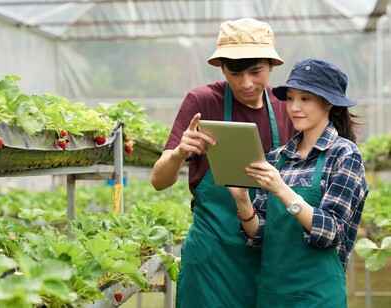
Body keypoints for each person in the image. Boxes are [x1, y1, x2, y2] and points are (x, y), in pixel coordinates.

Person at [150, 18, 296, 307]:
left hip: (268, 254)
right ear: (222, 68)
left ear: (271, 65)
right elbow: (158, 180)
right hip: (212, 258)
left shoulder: (286, 108)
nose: (246, 83)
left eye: (256, 72)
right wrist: (179, 153)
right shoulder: (203, 102)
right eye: (235, 72)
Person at [227, 58, 369, 307]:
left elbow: (330, 231)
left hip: (319, 298)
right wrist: (242, 200)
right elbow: (258, 236)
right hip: (272, 295)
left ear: (328, 103)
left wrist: (281, 188)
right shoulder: (277, 158)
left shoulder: (344, 156)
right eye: (291, 98)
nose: (294, 107)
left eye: (305, 99)